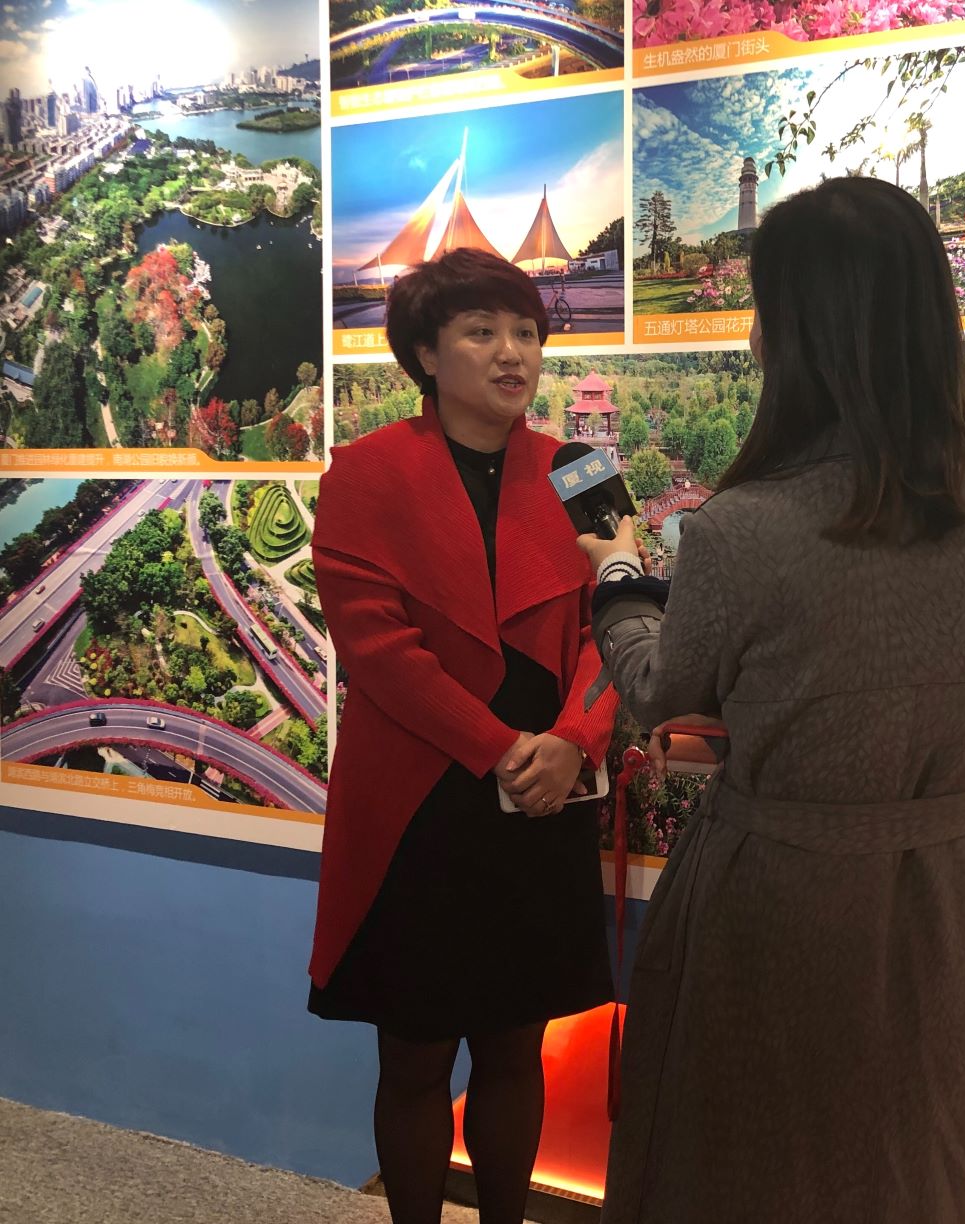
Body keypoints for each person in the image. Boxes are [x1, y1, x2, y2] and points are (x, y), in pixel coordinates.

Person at [578, 177, 965, 1224]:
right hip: (939, 895)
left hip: (776, 888)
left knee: (745, 1156)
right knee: (912, 1146)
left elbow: (660, 689)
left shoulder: (745, 527)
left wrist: (618, 578)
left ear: (795, 333)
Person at [307, 247, 619, 1224]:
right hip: (423, 799)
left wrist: (574, 739)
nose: (511, 352)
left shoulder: (582, 470)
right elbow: (377, 648)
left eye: (525, 331)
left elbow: (623, 622)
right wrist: (501, 748)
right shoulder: (366, 472)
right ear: (426, 355)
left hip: (547, 791)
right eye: (481, 332)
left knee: (516, 1043)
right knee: (415, 1053)